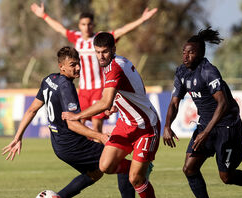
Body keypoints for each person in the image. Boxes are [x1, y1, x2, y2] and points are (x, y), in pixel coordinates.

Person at [2, 47, 137, 198]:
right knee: (124, 166)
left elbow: (31, 110)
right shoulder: (66, 87)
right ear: (62, 67)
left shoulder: (49, 80)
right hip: (74, 145)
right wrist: (100, 136)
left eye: (78, 64)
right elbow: (73, 124)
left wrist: (18, 137)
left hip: (59, 146)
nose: (78, 68)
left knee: (95, 173)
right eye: (73, 65)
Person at [163, 28, 242, 198]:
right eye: (184, 52)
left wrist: (206, 132)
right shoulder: (181, 72)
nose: (186, 56)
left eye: (191, 52)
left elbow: (223, 103)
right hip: (206, 125)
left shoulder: (208, 71)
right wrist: (167, 125)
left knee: (226, 177)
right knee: (189, 168)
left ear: (201, 53)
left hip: (227, 126)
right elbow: (174, 103)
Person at [62, 32, 163, 198]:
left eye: (105, 52)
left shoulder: (115, 67)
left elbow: (104, 102)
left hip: (145, 127)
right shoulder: (119, 63)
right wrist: (118, 106)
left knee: (135, 179)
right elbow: (135, 88)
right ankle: (140, 167)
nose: (101, 56)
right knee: (105, 166)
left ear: (113, 50)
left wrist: (77, 116)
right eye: (98, 52)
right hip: (126, 124)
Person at [31, 2, 157, 134]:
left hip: (99, 89)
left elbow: (122, 30)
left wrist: (142, 19)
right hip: (83, 91)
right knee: (80, 127)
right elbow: (59, 28)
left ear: (93, 25)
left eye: (89, 24)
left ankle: (100, 153)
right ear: (79, 26)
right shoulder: (76, 38)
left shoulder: (100, 40)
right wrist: (43, 15)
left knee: (96, 128)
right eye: (83, 24)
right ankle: (87, 153)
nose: (86, 27)